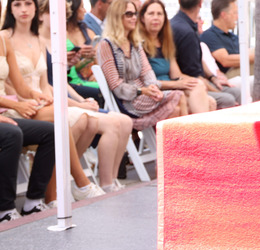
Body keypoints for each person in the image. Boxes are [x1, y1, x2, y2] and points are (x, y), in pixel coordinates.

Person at [1, 0, 105, 202]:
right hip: (14, 106)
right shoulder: (5, 37)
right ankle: (78, 184)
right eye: (17, 5)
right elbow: (11, 88)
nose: (23, 10)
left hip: (31, 101)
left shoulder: (37, 39)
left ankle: (59, 190)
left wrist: (39, 96)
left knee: (75, 118)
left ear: (35, 9)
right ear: (10, 9)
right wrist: (21, 103)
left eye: (28, 4)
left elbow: (29, 85)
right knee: (62, 118)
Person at [40, 0, 133, 191]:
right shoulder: (39, 42)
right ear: (41, 15)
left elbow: (62, 81)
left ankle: (110, 180)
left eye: (64, 16)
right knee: (109, 122)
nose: (61, 20)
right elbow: (49, 86)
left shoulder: (55, 40)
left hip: (64, 94)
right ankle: (87, 182)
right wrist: (79, 104)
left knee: (125, 121)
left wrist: (82, 100)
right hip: (52, 100)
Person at [96, 0, 184, 131]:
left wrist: (153, 88)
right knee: (178, 98)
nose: (134, 18)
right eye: (129, 14)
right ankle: (178, 149)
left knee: (177, 105)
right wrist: (142, 91)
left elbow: (147, 73)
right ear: (117, 16)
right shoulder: (106, 45)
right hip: (127, 101)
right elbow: (117, 86)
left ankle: (175, 148)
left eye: (135, 14)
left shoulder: (135, 43)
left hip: (144, 95)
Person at [138, 0, 215, 114]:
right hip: (155, 92)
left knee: (209, 99)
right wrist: (177, 84)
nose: (156, 18)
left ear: (164, 18)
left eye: (159, 14)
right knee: (203, 98)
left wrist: (194, 81)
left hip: (172, 88)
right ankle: (201, 130)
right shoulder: (139, 45)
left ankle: (202, 130)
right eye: (151, 14)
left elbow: (176, 75)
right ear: (143, 18)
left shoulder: (165, 43)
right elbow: (146, 82)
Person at [171, 0, 240, 109]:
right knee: (230, 98)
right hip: (190, 84)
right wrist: (216, 89)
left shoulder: (185, 26)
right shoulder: (186, 31)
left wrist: (213, 78)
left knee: (235, 92)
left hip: (202, 80)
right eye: (235, 13)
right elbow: (194, 75)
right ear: (200, 3)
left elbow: (198, 59)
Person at [200, 0, 254, 80]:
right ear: (224, 15)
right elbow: (225, 60)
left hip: (239, 71)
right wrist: (256, 56)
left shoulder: (234, 36)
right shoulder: (209, 35)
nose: (237, 17)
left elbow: (248, 52)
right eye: (235, 13)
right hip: (225, 76)